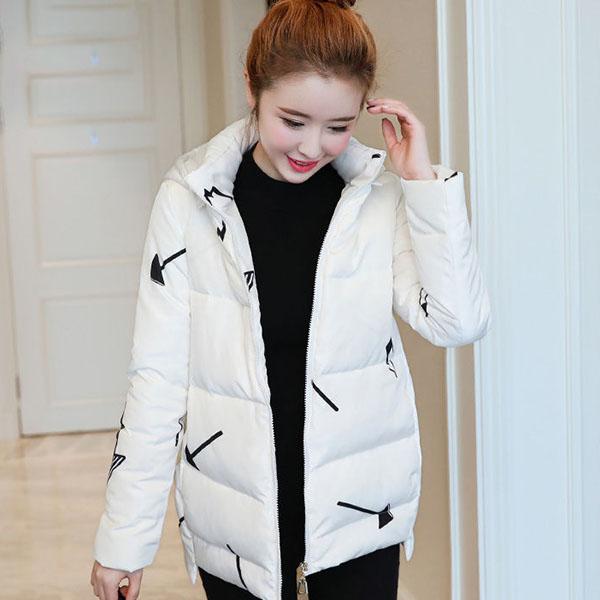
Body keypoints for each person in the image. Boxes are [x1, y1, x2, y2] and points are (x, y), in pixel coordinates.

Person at [90, 0, 491, 599]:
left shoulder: (377, 201)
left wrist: (422, 182)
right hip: (235, 524)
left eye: (338, 126)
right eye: (293, 120)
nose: (312, 146)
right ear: (252, 87)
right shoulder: (189, 202)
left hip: (357, 520)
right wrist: (124, 540)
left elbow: (457, 321)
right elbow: (157, 377)